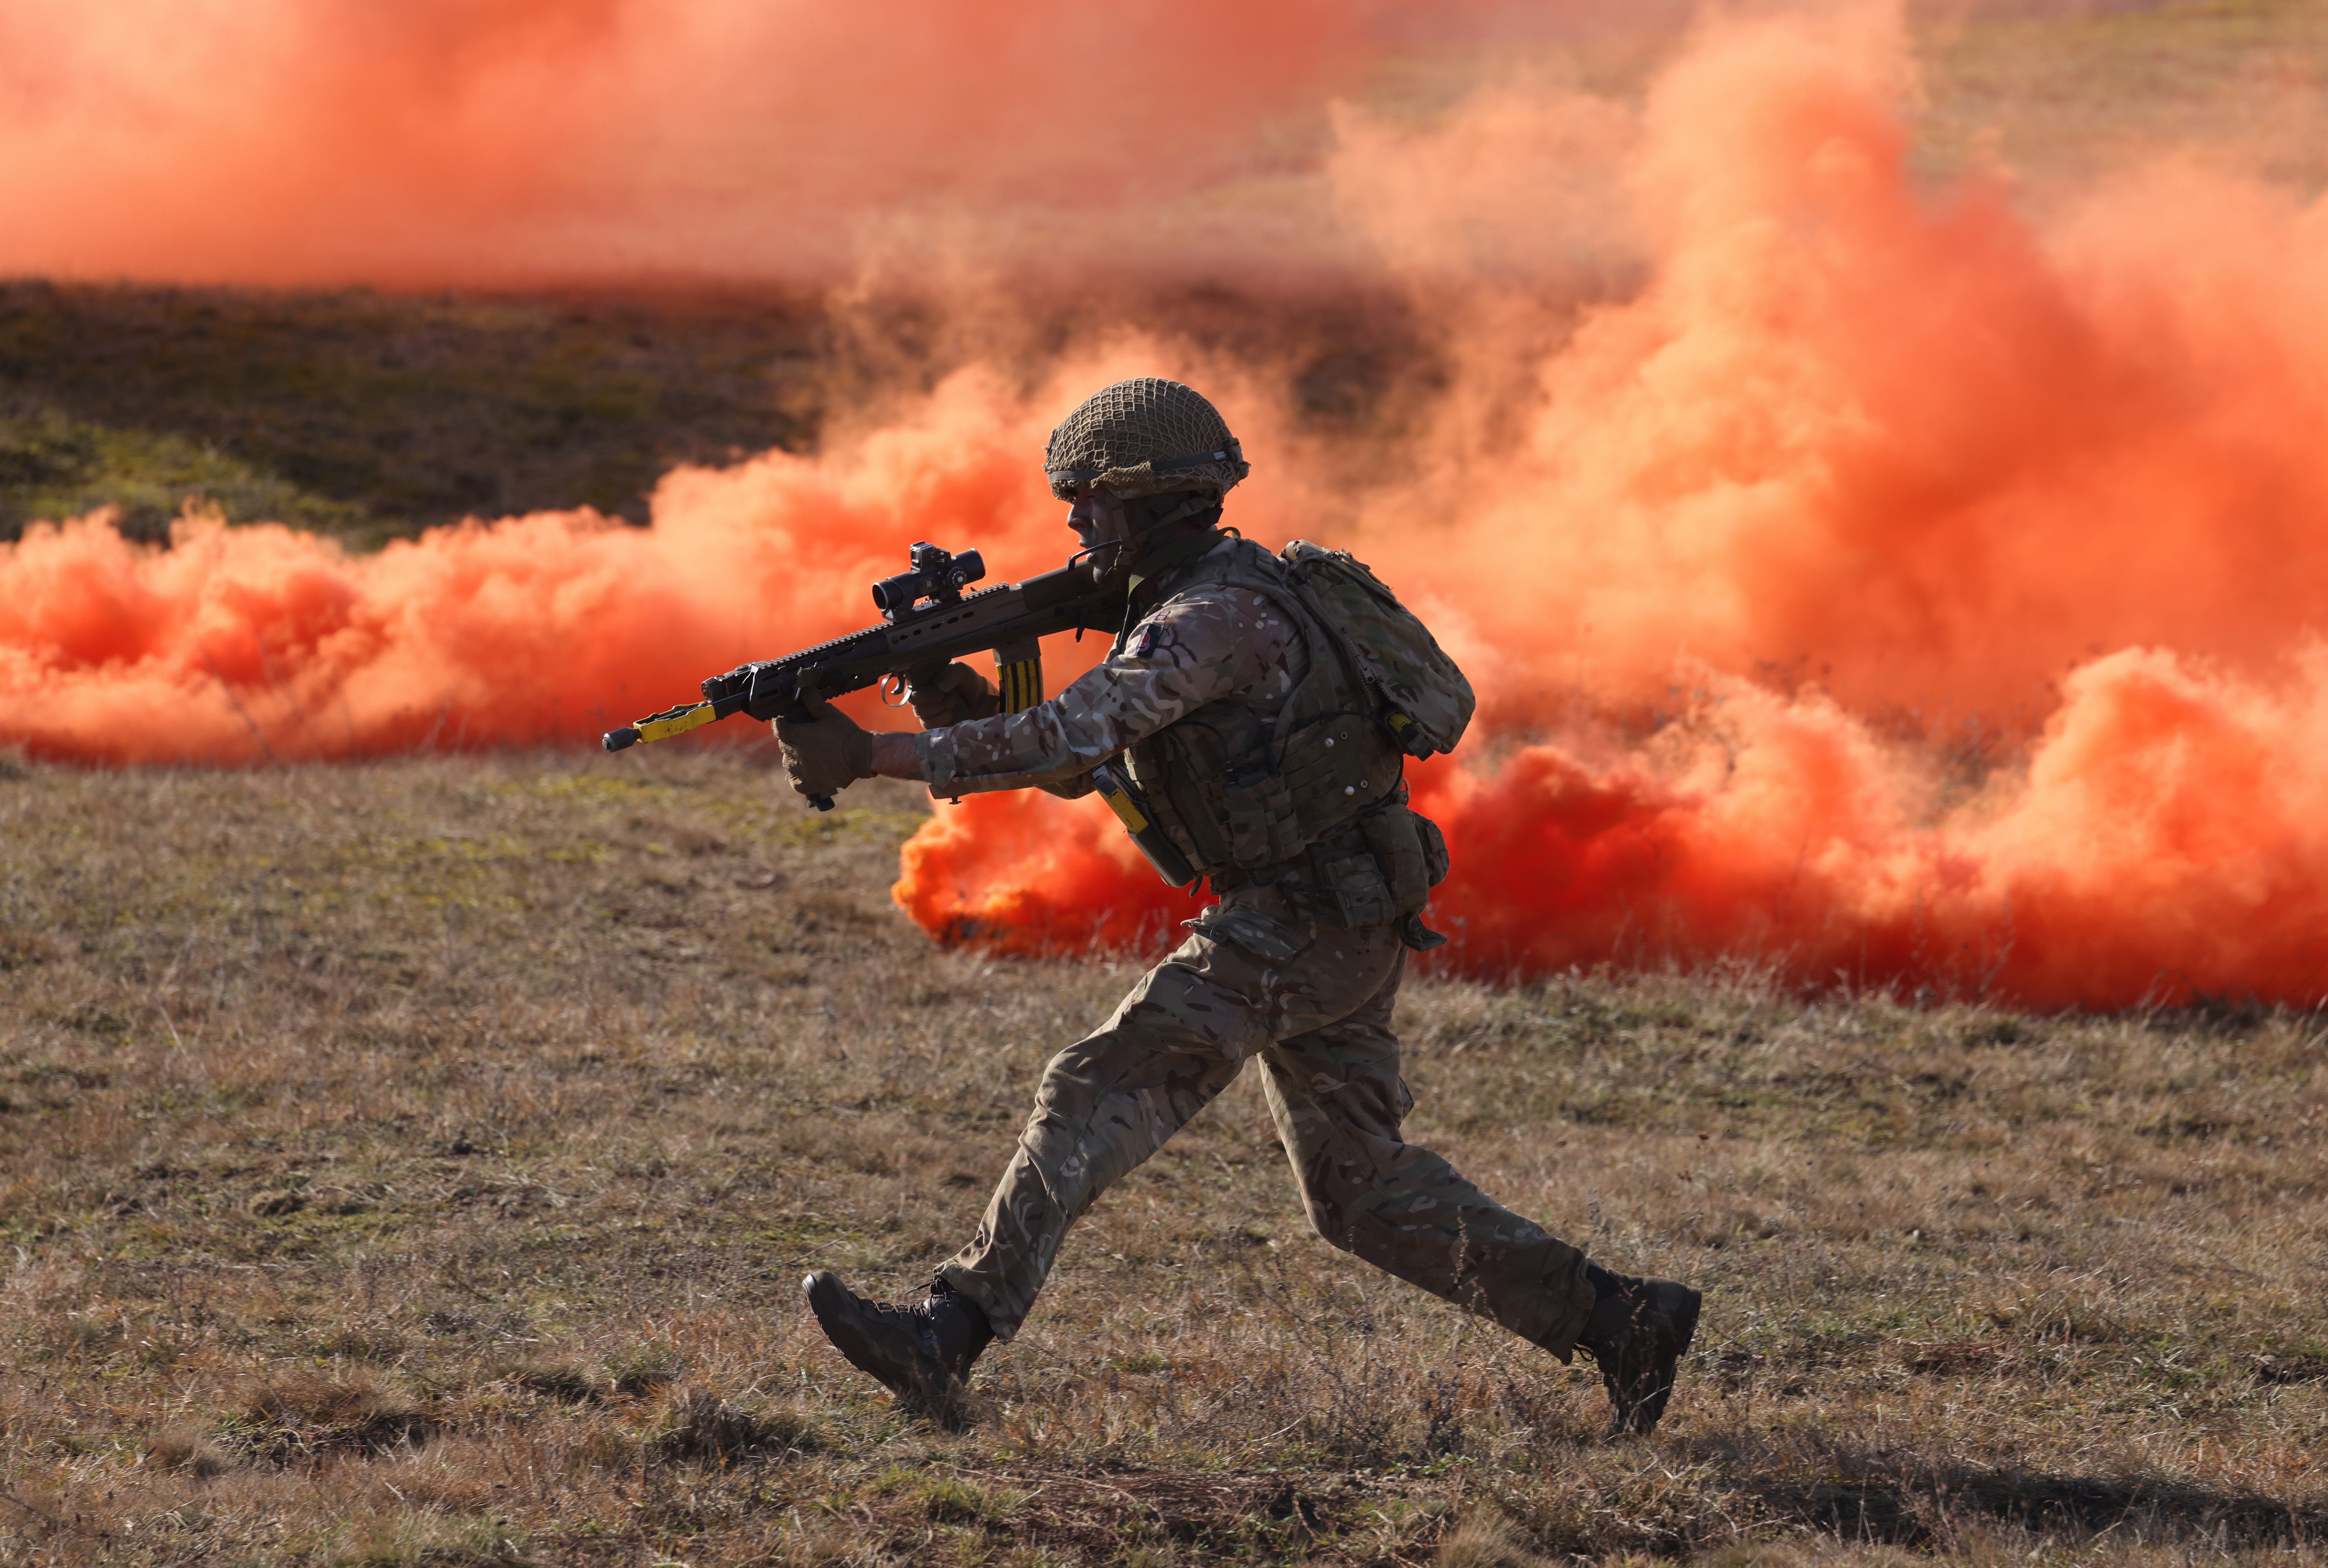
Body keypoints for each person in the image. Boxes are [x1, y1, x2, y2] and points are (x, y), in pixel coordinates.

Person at [773, 377, 1701, 1435]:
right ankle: (1621, 1319)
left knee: (1096, 1081)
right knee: (1360, 1195)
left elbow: (1067, 739)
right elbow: (1085, 766)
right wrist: (949, 695)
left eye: (1093, 501)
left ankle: (949, 1334)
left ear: (1157, 503)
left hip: (1305, 917)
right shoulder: (1203, 598)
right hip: (1341, 909)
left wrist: (872, 755)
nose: (1076, 524)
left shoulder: (1213, 620)